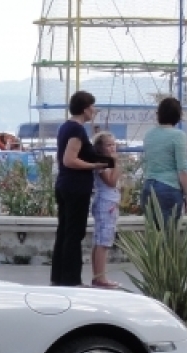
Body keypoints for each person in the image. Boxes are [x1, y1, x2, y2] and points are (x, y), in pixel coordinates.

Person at [51, 90, 113, 287]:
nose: (94, 110)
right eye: (92, 107)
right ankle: (71, 279)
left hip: (64, 185)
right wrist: (94, 166)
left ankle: (59, 277)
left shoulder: (65, 127)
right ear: (85, 109)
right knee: (74, 233)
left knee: (64, 232)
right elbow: (69, 159)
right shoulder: (77, 130)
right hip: (75, 187)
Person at [141, 97, 187, 230]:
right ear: (178, 115)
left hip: (148, 185)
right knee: (168, 236)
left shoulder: (149, 134)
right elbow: (182, 170)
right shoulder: (178, 136)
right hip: (169, 187)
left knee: (154, 235)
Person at [90, 132, 121, 288]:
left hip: (108, 201)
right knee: (104, 241)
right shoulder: (103, 163)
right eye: (109, 145)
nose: (113, 147)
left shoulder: (105, 162)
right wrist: (116, 163)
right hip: (106, 202)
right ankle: (100, 277)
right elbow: (111, 181)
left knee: (100, 240)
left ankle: (98, 275)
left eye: (114, 144)